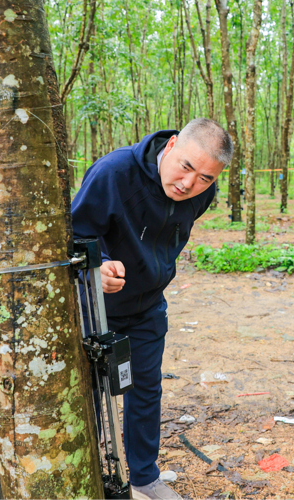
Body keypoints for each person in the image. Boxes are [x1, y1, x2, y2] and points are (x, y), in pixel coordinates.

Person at [71, 118, 232, 500]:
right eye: (186, 167)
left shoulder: (201, 194)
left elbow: (169, 236)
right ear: (172, 145)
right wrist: (98, 267)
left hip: (147, 307)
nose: (189, 184)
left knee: (145, 390)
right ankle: (92, 476)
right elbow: (76, 235)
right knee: (92, 395)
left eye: (205, 179)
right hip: (94, 307)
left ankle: (145, 479)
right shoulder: (114, 173)